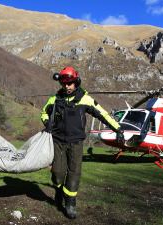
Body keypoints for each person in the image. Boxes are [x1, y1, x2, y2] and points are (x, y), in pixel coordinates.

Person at [40, 67, 124, 219]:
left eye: (70, 83)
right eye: (64, 83)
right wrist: (47, 123)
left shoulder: (85, 99)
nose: (67, 86)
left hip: (76, 143)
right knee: (58, 173)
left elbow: (103, 114)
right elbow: (44, 112)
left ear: (76, 82)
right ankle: (59, 191)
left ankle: (70, 203)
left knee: (74, 173)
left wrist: (118, 129)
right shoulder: (55, 99)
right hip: (58, 141)